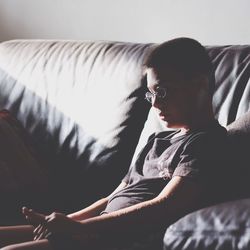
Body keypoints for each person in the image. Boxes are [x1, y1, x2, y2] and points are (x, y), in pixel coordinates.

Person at [0, 37, 228, 250]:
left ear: (200, 85)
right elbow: (110, 198)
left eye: (163, 91)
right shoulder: (157, 141)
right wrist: (66, 221)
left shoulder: (206, 142)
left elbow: (166, 205)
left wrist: (81, 228)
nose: (155, 104)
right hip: (90, 229)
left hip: (114, 238)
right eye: (151, 94)